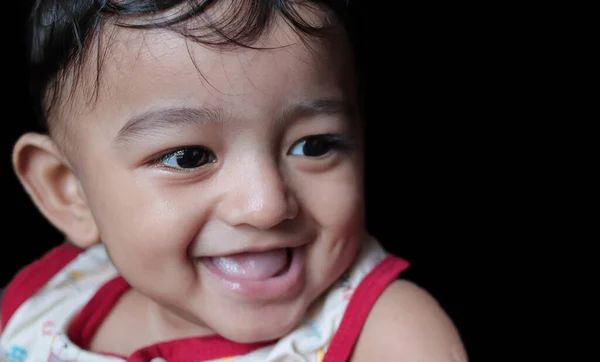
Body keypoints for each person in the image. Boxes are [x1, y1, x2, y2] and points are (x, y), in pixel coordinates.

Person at [0, 0, 467, 361]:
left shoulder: (389, 333)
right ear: (71, 192)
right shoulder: (46, 304)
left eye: (315, 146)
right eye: (189, 157)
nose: (266, 206)